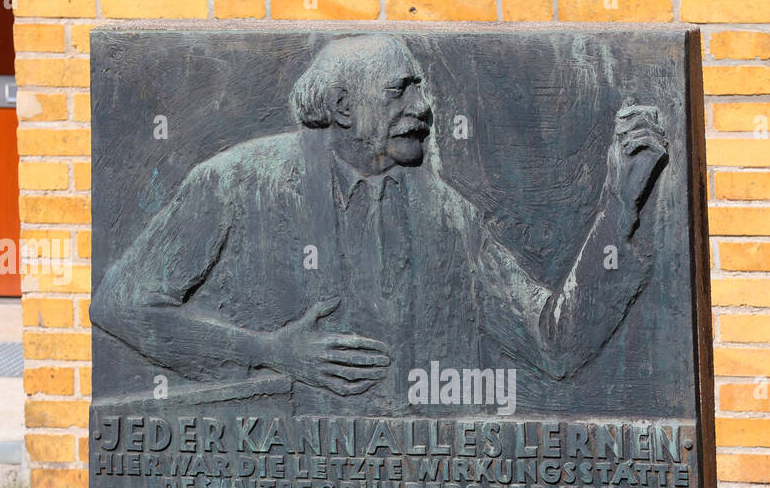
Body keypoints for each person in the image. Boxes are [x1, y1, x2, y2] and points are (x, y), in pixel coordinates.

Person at [90, 34, 668, 416]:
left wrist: (619, 208)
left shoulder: (444, 214)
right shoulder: (236, 182)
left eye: (419, 89)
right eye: (400, 92)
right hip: (270, 479)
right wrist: (269, 350)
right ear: (343, 109)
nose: (423, 108)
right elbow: (121, 304)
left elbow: (555, 344)